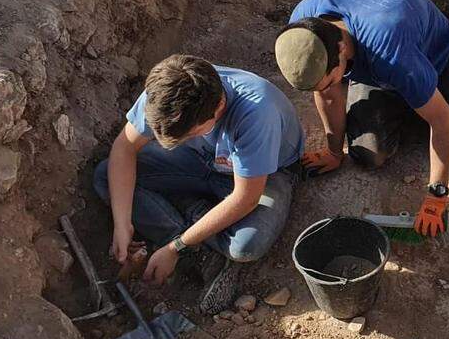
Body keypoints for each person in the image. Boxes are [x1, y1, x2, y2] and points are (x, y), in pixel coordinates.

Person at [93, 54, 304, 314]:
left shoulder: (257, 113)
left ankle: (188, 226)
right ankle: (197, 240)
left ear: (216, 110)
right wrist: (122, 223)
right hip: (201, 159)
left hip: (266, 173)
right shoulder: (167, 90)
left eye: (188, 134)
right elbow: (125, 148)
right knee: (106, 175)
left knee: (246, 246)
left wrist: (176, 246)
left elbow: (245, 198)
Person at [273, 0, 449, 237]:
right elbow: (327, 95)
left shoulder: (391, 53)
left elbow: (442, 122)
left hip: (433, 58)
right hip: (381, 71)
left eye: (331, 81)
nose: (328, 89)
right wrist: (333, 151)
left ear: (341, 49)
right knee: (367, 155)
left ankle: (425, 93)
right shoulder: (302, 29)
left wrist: (437, 195)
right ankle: (413, 99)